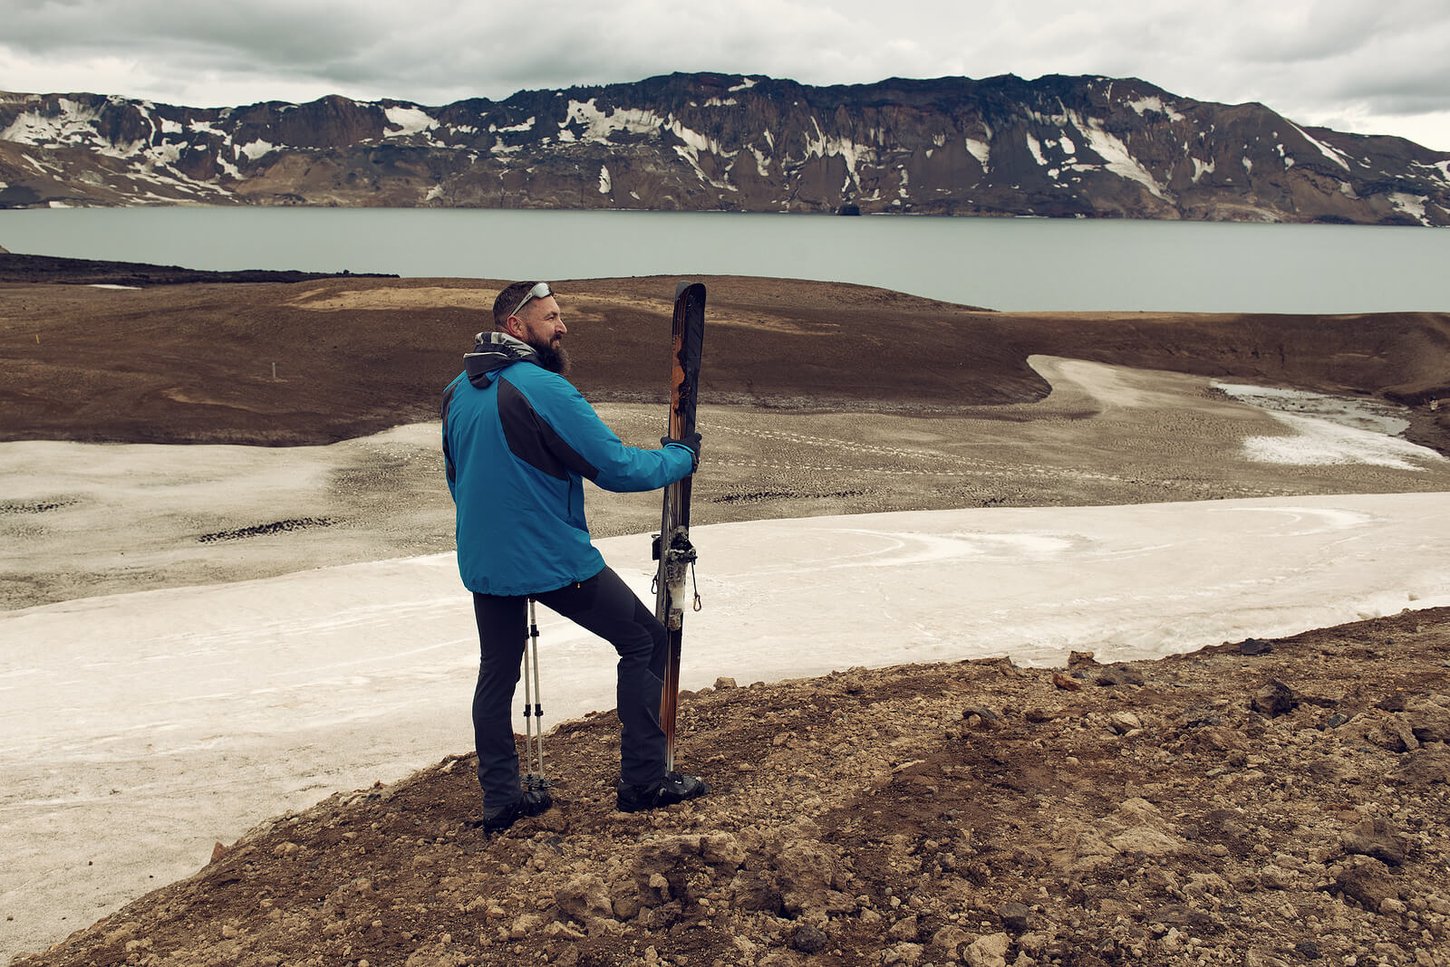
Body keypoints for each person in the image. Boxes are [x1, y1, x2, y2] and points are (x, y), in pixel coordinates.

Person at [441, 280, 708, 834]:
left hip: (488, 560)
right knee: (645, 641)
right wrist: (679, 459)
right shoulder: (543, 388)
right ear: (516, 326)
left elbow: (456, 476)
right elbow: (614, 467)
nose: (562, 327)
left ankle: (501, 802)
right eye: (551, 317)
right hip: (549, 556)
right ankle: (644, 781)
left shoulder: (457, 392)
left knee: (496, 673)